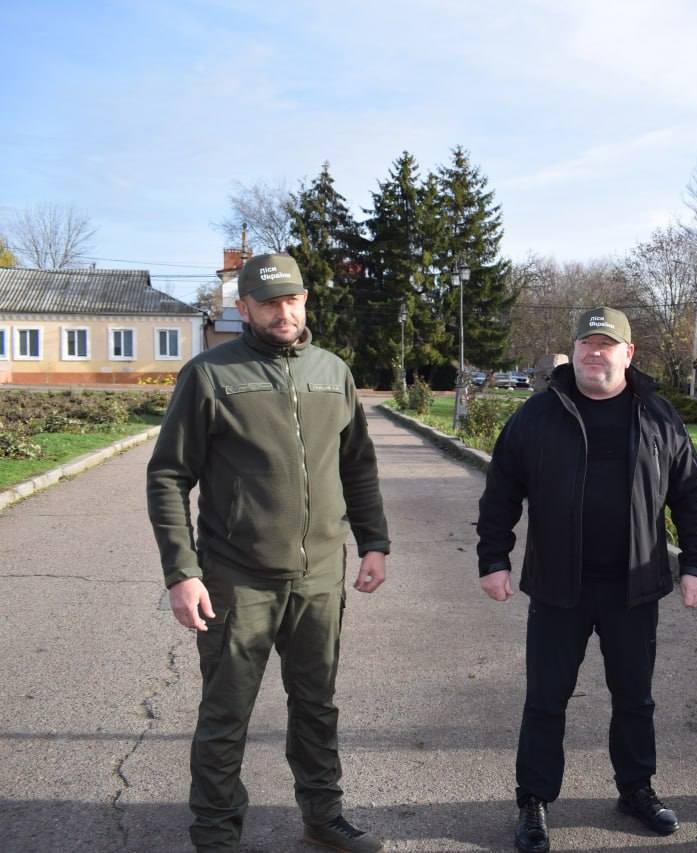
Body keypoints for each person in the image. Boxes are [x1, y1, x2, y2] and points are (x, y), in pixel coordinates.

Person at [146, 252, 390, 853]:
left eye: (293, 300)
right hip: (237, 577)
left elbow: (357, 466)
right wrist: (182, 571)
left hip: (319, 575)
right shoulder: (209, 375)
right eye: (270, 302)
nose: (285, 312)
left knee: (316, 705)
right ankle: (216, 833)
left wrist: (374, 542)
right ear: (244, 308)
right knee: (226, 712)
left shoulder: (332, 372)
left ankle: (323, 816)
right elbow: (169, 476)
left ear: (305, 300)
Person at [475, 307, 697, 853]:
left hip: (634, 586)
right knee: (546, 699)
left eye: (606, 344)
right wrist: (493, 559)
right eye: (586, 343)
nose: (594, 352)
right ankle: (534, 801)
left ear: (628, 354)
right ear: (575, 350)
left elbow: (691, 493)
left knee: (634, 698)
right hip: (559, 587)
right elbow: (501, 490)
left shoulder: (657, 416)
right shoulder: (539, 415)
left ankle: (636, 789)